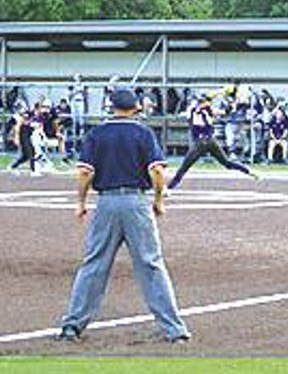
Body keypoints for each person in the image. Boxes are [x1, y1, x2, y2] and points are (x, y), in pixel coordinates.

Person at [56, 88, 191, 343]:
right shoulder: (143, 133)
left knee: (94, 264)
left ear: (111, 106)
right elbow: (157, 173)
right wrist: (159, 201)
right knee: (150, 264)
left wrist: (81, 201)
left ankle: (72, 326)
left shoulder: (97, 133)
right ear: (136, 108)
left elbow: (85, 173)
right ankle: (175, 330)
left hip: (106, 203)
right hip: (136, 202)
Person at [168, 93, 259, 190]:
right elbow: (220, 111)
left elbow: (207, 109)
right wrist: (230, 105)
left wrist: (227, 105)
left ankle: (170, 187)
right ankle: (249, 171)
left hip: (200, 142)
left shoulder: (197, 109)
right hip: (211, 141)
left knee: (184, 167)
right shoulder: (200, 109)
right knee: (227, 163)